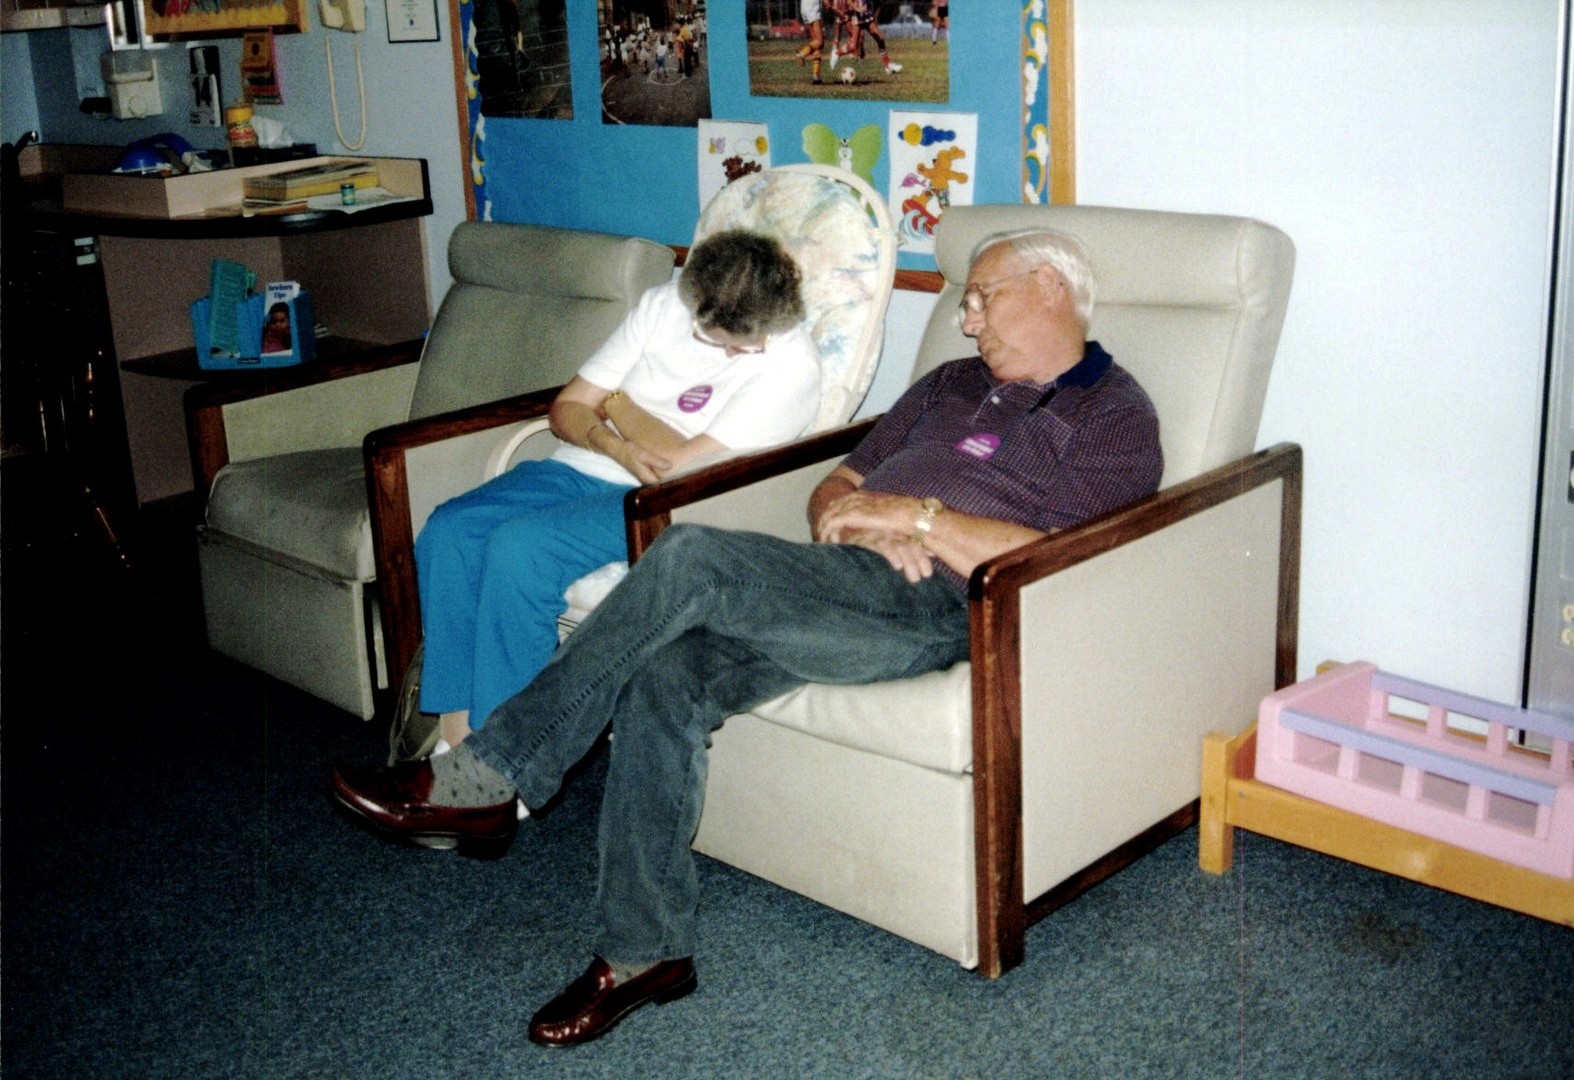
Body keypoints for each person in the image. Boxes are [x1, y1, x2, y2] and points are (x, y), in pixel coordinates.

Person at [331, 227, 1163, 1047]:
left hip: (939, 605)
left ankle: (497, 770)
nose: (966, 319)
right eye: (966, 302)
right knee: (666, 674)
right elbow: (839, 480)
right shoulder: (947, 382)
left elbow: (1053, 554)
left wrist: (915, 519)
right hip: (842, 577)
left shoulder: (1114, 414)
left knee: (690, 553)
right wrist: (842, 516)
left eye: (981, 298)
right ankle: (644, 953)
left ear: (1049, 288)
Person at [412, 228, 820, 750]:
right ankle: (458, 739)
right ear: (695, 305)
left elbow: (674, 469)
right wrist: (615, 443)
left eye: (752, 343)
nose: (740, 352)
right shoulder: (662, 306)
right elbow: (566, 410)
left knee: (521, 550)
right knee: (449, 531)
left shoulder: (793, 364)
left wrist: (616, 404)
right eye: (724, 341)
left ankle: (504, 758)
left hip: (666, 503)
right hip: (583, 465)